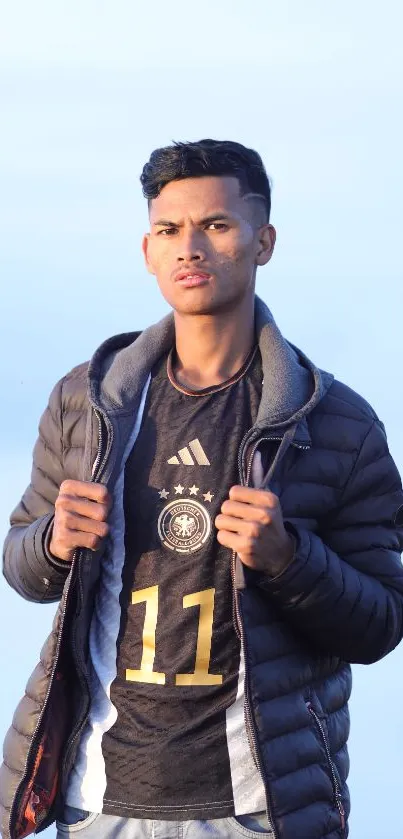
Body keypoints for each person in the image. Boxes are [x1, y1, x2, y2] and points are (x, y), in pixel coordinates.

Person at [1, 139, 403, 839]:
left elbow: (379, 623)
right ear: (148, 250)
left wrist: (287, 557)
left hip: (256, 808)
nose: (190, 246)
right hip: (96, 799)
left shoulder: (334, 423)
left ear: (262, 241)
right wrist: (53, 543)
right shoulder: (88, 402)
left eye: (215, 225)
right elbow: (22, 565)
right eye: (169, 230)